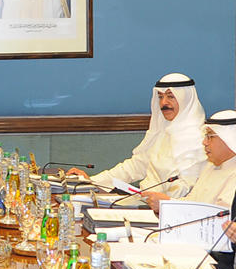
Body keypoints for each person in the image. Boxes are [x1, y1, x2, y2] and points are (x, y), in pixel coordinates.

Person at [68, 73, 207, 198]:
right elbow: (136, 166)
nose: (163, 103)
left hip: (169, 210)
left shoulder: (200, 140)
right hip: (144, 202)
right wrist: (92, 181)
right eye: (160, 97)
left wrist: (160, 201)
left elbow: (187, 189)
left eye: (170, 97)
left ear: (186, 100)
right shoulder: (163, 130)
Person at [144, 110, 236, 212]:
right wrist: (166, 203)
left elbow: (222, 217)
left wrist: (167, 205)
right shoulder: (211, 166)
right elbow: (192, 202)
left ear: (229, 139)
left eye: (210, 137)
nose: (204, 142)